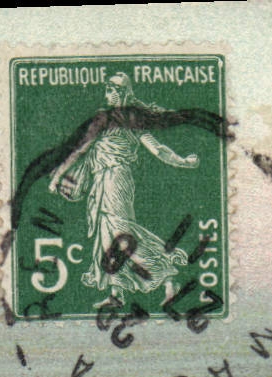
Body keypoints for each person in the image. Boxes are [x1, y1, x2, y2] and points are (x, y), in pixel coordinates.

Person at [46, 72, 198, 307]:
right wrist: (57, 175)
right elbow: (79, 150)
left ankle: (168, 279)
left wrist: (183, 161)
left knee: (121, 233)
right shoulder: (102, 119)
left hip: (117, 179)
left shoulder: (133, 120)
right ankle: (117, 294)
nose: (110, 94)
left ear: (125, 93)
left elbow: (157, 149)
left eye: (115, 89)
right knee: (107, 235)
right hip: (101, 181)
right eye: (109, 89)